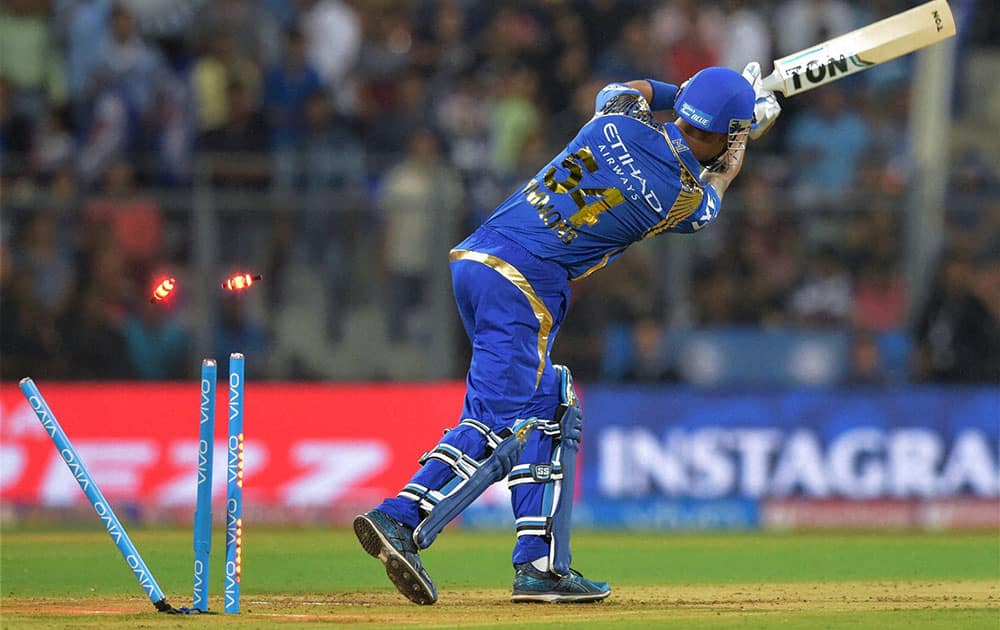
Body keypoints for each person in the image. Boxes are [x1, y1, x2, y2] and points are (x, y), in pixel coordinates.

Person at [354, 64, 780, 604]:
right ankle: (401, 519)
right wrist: (743, 137)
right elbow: (718, 184)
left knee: (552, 409)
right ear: (725, 134)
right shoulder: (677, 196)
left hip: (479, 258)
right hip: (525, 283)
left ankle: (541, 568)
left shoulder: (615, 121)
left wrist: (701, 101)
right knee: (499, 422)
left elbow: (636, 89)